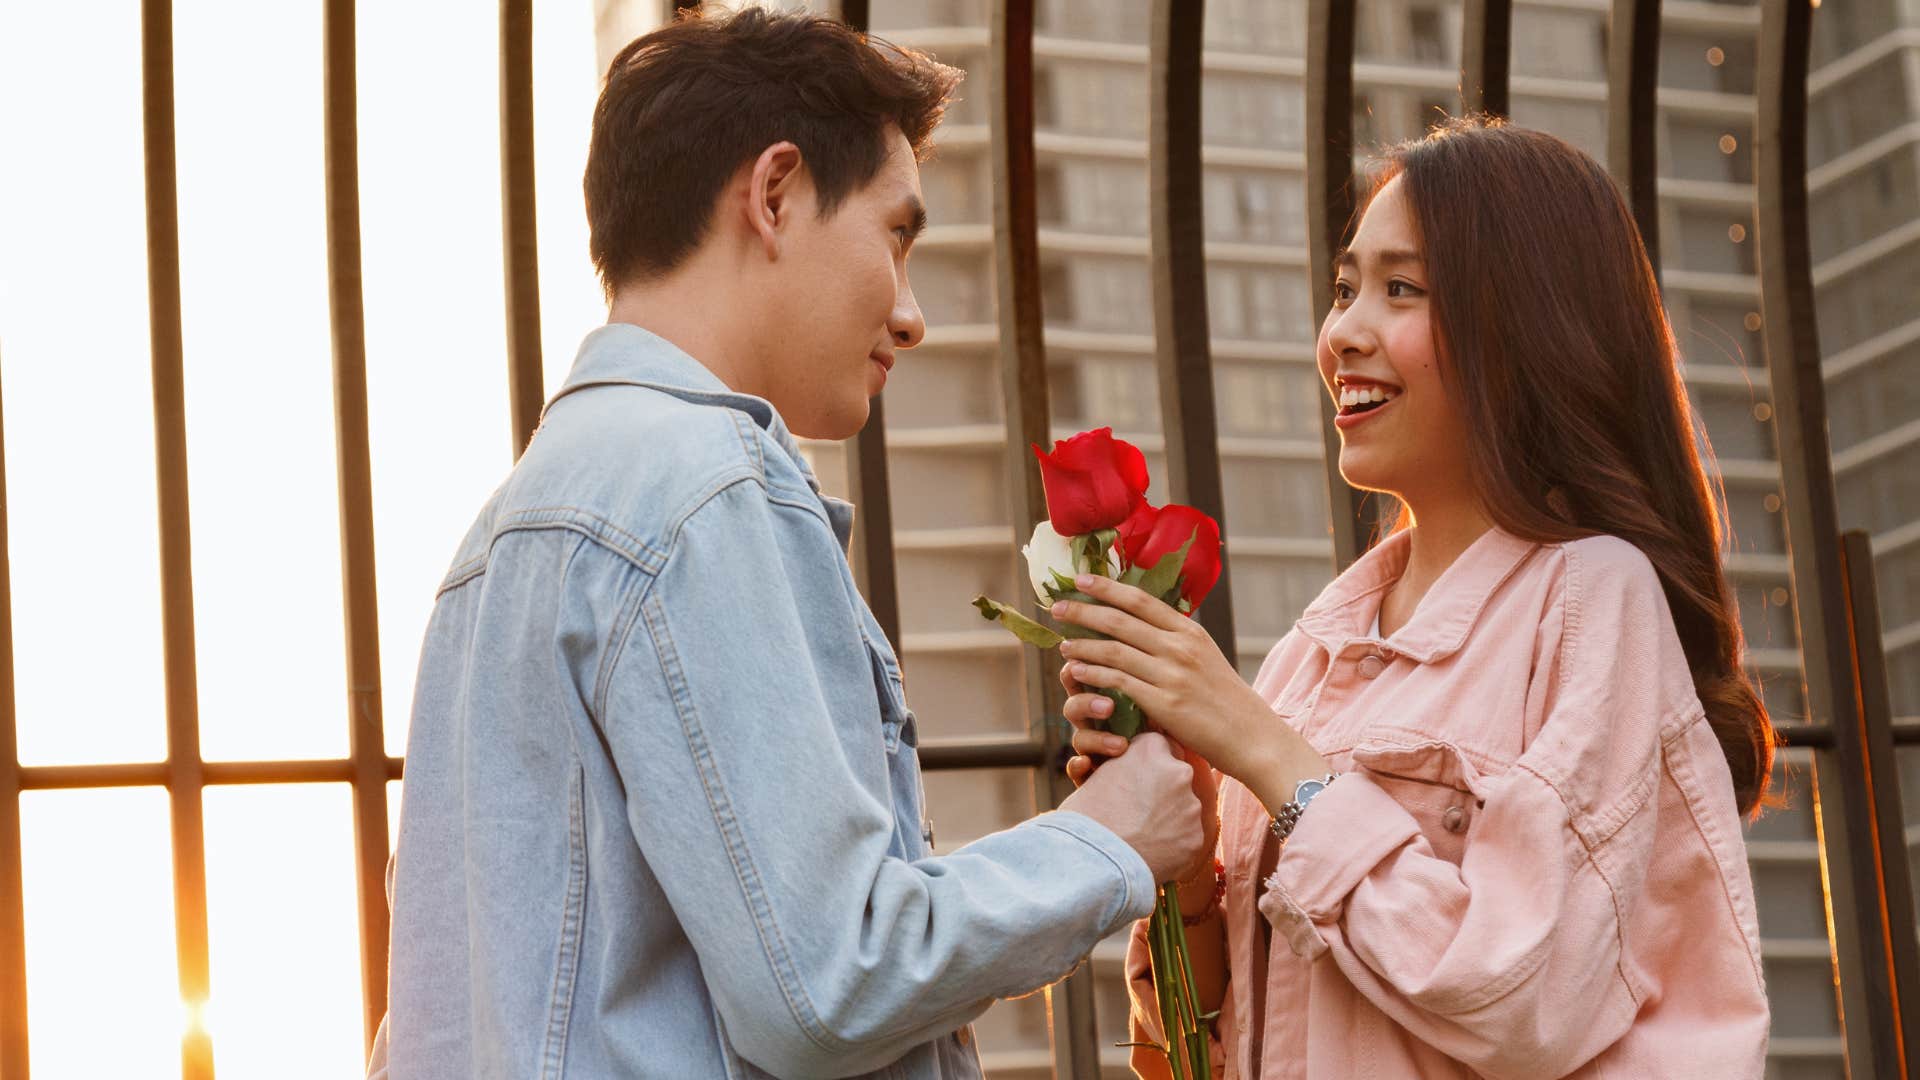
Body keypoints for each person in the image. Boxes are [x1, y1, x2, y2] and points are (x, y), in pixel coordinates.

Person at [367, 7, 1205, 1078]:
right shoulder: (706, 488)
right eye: (896, 235)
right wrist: (1109, 841)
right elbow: (826, 980)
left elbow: (428, 1023)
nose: (911, 316)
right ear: (775, 193)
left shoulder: (499, 539)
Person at [1052, 118, 1775, 1080]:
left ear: (1527, 325)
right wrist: (1190, 869)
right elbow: (1198, 1057)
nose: (1342, 332)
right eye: (1347, 287)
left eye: (1402, 289)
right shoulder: (1313, 657)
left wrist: (1265, 753)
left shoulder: (1592, 598)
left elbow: (1526, 999)